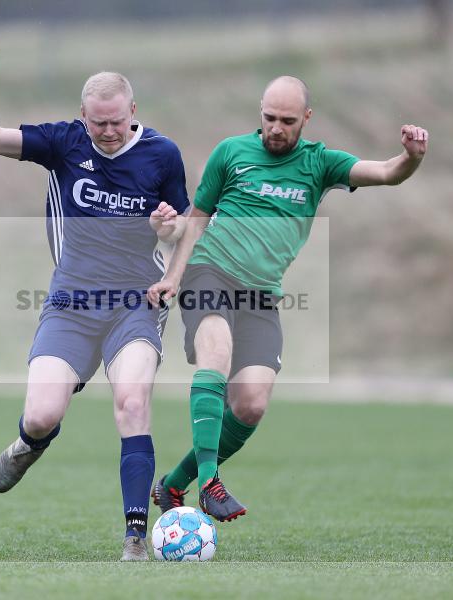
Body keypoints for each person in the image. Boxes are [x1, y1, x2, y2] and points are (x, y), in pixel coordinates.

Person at [147, 76, 429, 522]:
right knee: (215, 353)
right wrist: (173, 276)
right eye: (269, 118)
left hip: (261, 294)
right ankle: (210, 482)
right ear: (260, 112)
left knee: (251, 404)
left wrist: (410, 158)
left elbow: (386, 173)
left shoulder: (320, 163)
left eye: (287, 121)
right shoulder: (230, 153)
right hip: (209, 271)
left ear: (306, 119)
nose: (276, 128)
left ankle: (175, 483)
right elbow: (196, 220)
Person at [0, 40, 190, 560]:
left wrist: (168, 226)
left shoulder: (162, 154)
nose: (107, 131)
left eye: (116, 122)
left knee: (132, 402)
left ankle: (135, 536)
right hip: (71, 303)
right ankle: (27, 445)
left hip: (136, 302)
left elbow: (183, 226)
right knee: (42, 416)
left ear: (133, 111)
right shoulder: (64, 142)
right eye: (97, 123)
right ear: (82, 116)